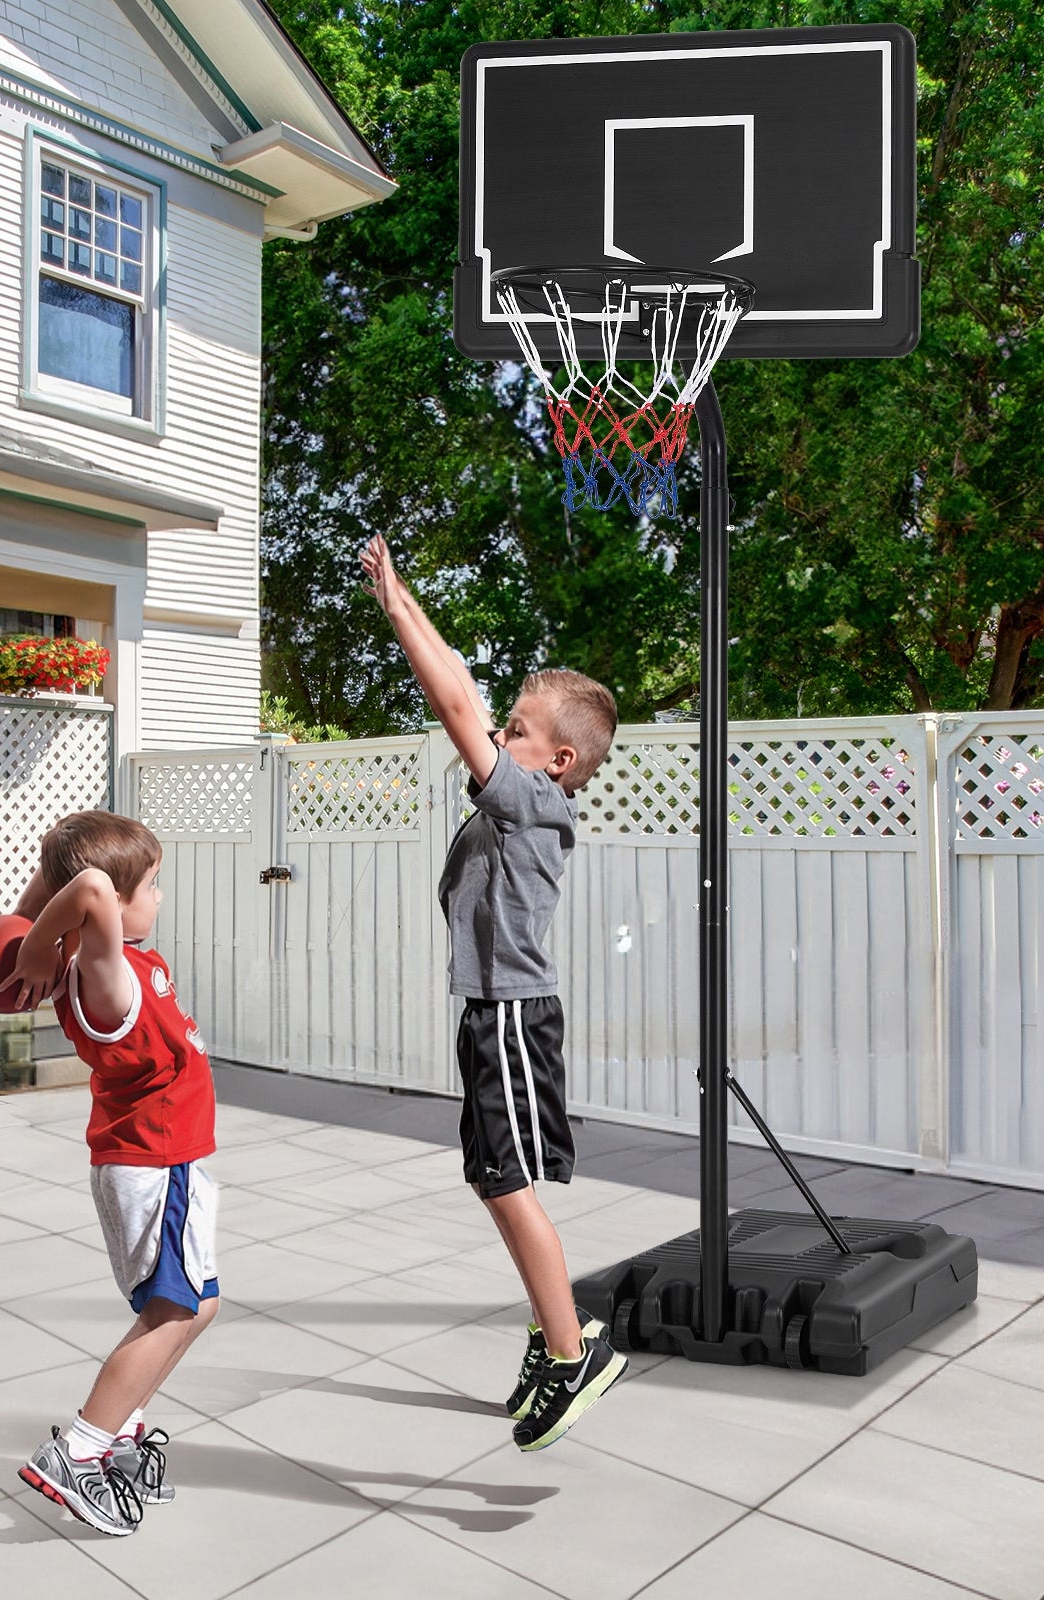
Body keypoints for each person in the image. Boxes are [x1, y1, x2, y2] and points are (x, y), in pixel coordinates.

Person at [361, 535, 626, 1450]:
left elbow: (453, 698)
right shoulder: (513, 800)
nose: (500, 734)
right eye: (507, 725)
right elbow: (467, 685)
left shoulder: (535, 803)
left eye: (518, 730)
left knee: (509, 1185)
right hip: (492, 1013)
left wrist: (397, 610)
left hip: (513, 1012)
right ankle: (552, 1330)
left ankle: (571, 1350)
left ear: (556, 761)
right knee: (491, 1179)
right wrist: (406, 594)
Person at [6, 810, 218, 1535]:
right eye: (153, 884)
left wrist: (41, 909)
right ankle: (82, 1449)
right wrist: (36, 940)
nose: (159, 897)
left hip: (164, 1163)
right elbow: (92, 884)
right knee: (176, 1311)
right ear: (115, 905)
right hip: (157, 1166)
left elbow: (80, 882)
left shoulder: (117, 962)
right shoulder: (106, 976)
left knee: (194, 1306)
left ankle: (121, 1436)